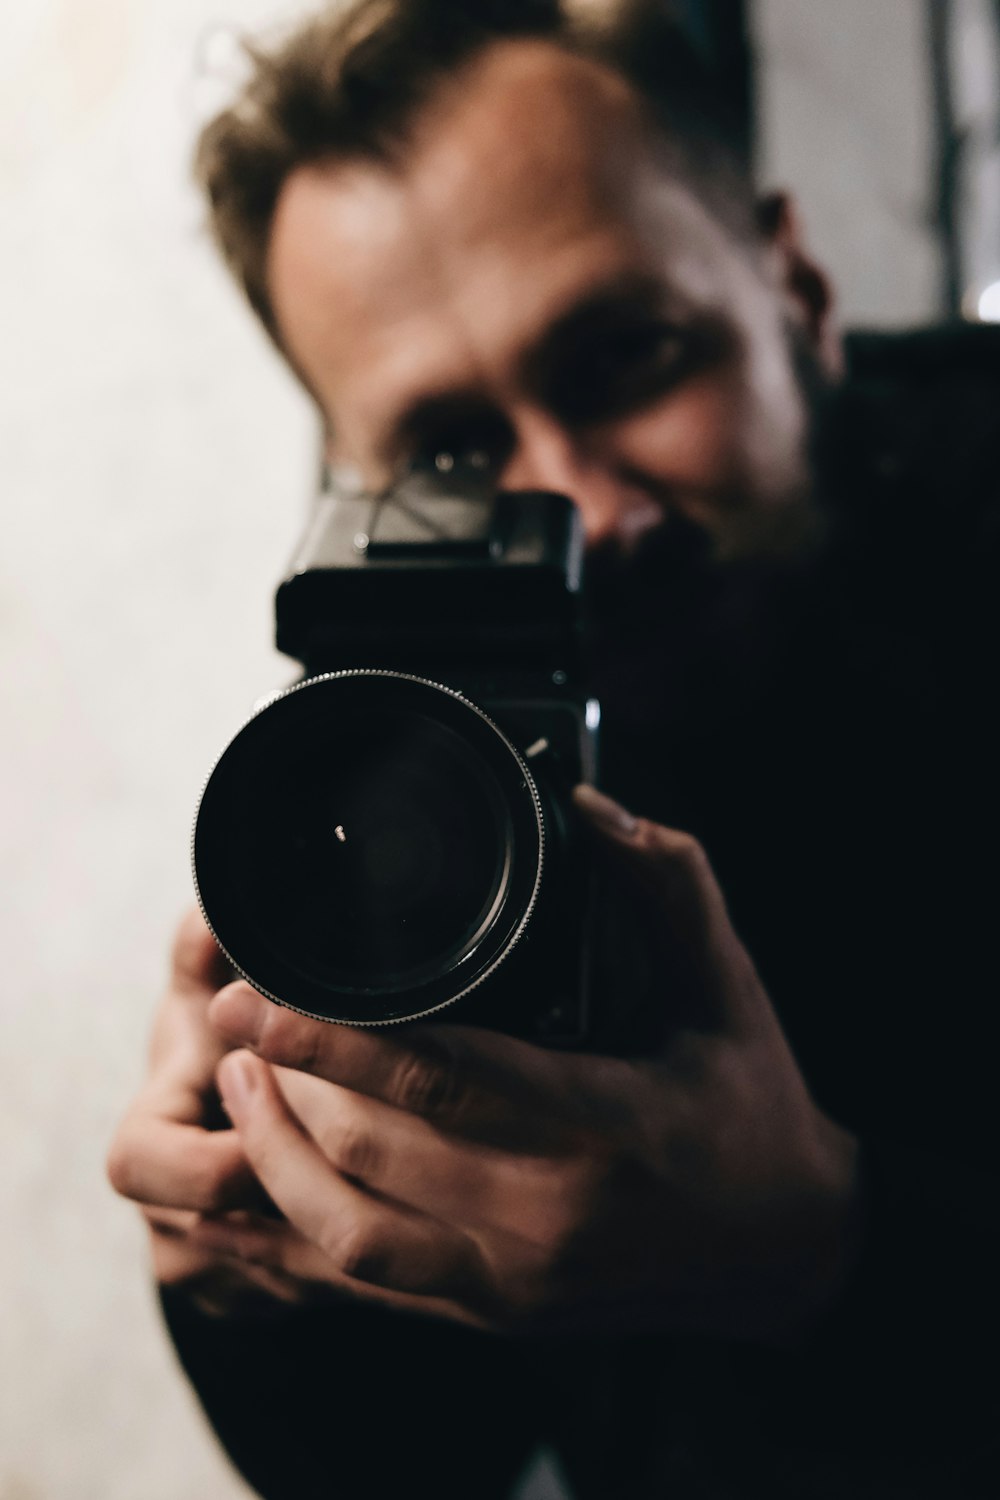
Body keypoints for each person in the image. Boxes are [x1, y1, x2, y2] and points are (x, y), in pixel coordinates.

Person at [107, 2, 999, 1495]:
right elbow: (415, 1468)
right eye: (454, 456)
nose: (575, 510)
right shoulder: (399, 777)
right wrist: (247, 1262)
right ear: (356, 481)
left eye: (630, 356)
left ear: (795, 284)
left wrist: (833, 1253)